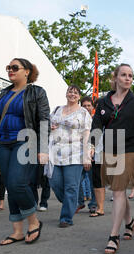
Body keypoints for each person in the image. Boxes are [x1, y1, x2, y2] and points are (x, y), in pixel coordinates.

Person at [0, 58, 50, 245]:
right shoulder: (4, 93)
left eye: (15, 67)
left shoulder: (37, 92)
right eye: (8, 67)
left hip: (26, 142)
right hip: (4, 144)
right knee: (9, 185)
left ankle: (34, 222)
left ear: (27, 71)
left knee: (17, 183)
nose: (10, 70)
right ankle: (17, 231)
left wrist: (43, 149)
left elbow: (44, 121)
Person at [91, 63, 134, 254]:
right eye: (123, 75)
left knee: (118, 191)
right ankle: (130, 223)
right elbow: (97, 125)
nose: (128, 78)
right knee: (118, 190)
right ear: (115, 78)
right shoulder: (103, 102)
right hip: (110, 149)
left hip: (130, 148)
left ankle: (113, 236)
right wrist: (91, 145)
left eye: (130, 75)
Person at [48, 85, 92, 228]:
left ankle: (66, 218)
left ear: (79, 96)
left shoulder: (83, 112)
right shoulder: (57, 109)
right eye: (70, 91)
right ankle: (73, 202)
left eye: (75, 92)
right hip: (55, 153)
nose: (72, 94)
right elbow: (47, 123)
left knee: (71, 187)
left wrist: (86, 156)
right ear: (66, 94)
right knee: (54, 182)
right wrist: (50, 127)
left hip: (75, 154)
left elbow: (86, 134)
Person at [76, 96, 97, 216]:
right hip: (78, 154)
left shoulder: (96, 120)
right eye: (84, 106)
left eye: (89, 105)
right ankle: (79, 202)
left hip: (92, 154)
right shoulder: (77, 119)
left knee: (93, 181)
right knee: (77, 180)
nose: (87, 108)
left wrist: (92, 150)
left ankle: (93, 204)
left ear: (92, 107)